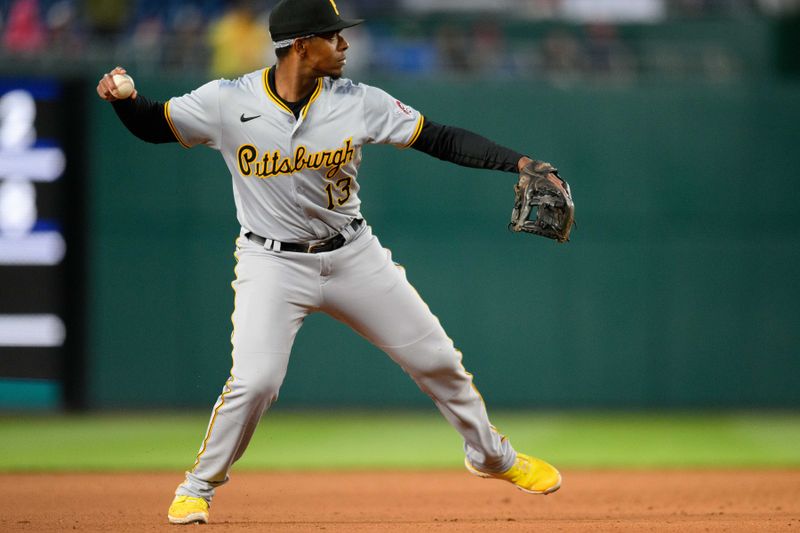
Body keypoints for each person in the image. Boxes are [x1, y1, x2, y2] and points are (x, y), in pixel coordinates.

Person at [95, 0, 562, 525]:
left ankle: (492, 457)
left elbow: (439, 137)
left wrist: (518, 162)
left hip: (354, 256)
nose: (344, 45)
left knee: (438, 361)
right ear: (300, 45)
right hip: (271, 263)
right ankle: (198, 485)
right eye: (333, 36)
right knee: (256, 381)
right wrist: (123, 99)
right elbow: (155, 124)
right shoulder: (228, 100)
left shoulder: (357, 101)